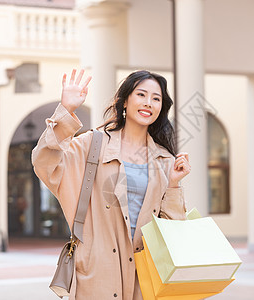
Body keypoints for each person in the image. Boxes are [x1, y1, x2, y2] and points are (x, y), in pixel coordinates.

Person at [32, 69, 191, 299]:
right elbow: (45, 164)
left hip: (146, 278)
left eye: (156, 98)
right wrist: (66, 111)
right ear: (124, 101)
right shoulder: (93, 145)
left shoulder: (165, 160)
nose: (148, 103)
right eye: (141, 95)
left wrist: (174, 185)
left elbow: (172, 230)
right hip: (98, 274)